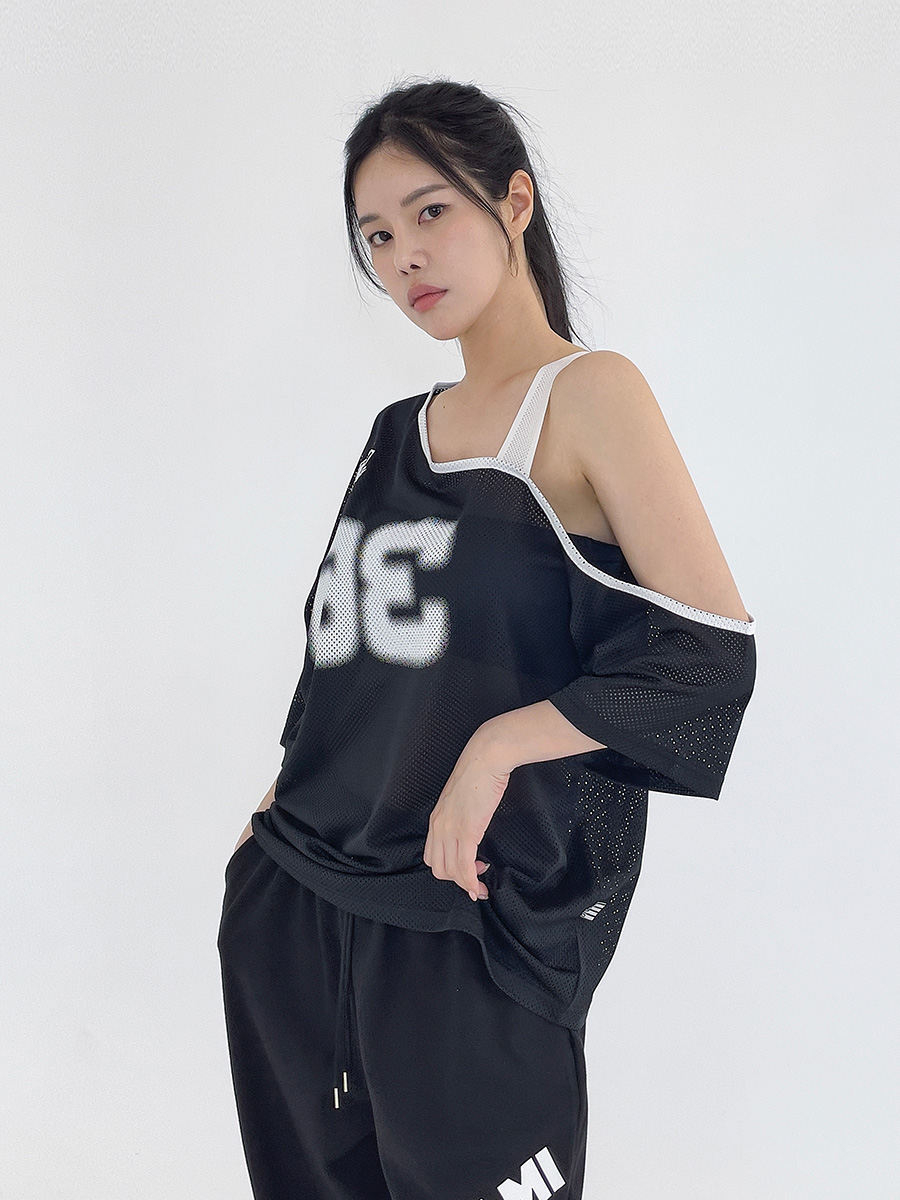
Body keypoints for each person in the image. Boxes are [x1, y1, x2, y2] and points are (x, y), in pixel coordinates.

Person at [217, 77, 757, 1200]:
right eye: (376, 235)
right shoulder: (393, 432)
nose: (403, 255)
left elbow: (709, 653)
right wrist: (269, 817)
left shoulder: (588, 394)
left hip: (467, 924)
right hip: (297, 903)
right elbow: (342, 659)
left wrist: (498, 745)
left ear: (513, 201)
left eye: (430, 211)